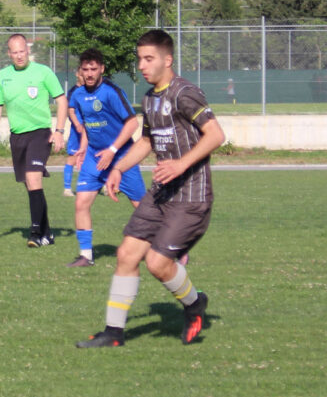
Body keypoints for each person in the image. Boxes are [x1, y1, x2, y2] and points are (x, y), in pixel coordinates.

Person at [77, 30, 225, 348]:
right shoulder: (149, 98)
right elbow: (146, 141)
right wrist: (118, 168)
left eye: (149, 59)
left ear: (167, 60)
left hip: (190, 197)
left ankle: (194, 304)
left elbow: (215, 135)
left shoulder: (185, 93)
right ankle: (113, 332)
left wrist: (181, 164)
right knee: (126, 254)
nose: (142, 65)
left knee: (157, 263)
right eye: (140, 59)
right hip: (160, 194)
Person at [0, 33, 68, 248]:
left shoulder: (43, 72)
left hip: (40, 133)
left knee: (33, 178)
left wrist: (59, 131)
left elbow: (62, 100)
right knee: (30, 185)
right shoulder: (2, 77)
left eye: (22, 51)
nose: (19, 56)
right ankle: (47, 233)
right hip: (17, 136)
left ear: (28, 50)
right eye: (15, 52)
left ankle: (35, 233)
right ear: (9, 54)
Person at [66, 48, 146, 268]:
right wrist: (83, 148)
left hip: (121, 156)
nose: (89, 73)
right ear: (80, 71)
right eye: (85, 69)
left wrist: (112, 150)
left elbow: (132, 123)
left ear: (102, 68)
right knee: (81, 202)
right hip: (94, 157)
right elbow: (87, 126)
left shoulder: (111, 92)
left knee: (142, 207)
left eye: (94, 69)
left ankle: (171, 248)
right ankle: (86, 255)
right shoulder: (78, 95)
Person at [63, 67, 84, 197]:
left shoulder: (90, 90)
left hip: (91, 129)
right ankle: (67, 188)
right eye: (82, 74)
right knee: (72, 158)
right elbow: (70, 111)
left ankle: (101, 186)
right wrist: (77, 124)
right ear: (77, 74)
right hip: (77, 131)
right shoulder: (73, 92)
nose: (85, 77)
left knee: (95, 157)